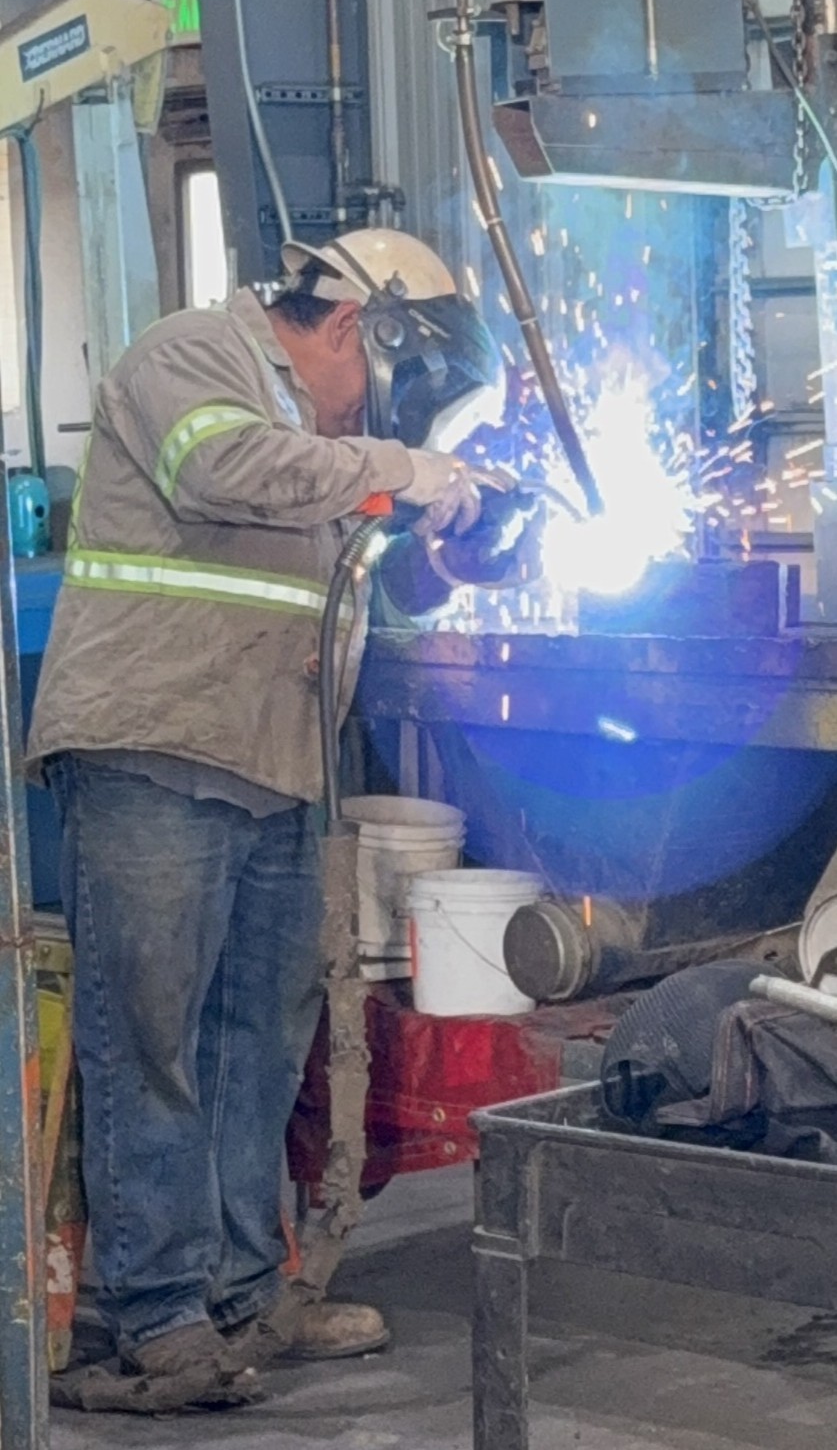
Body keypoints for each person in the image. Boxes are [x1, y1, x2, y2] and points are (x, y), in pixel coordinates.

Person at [28, 230, 517, 1411]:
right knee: (154, 1036)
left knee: (259, 1044)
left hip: (279, 768)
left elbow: (353, 580)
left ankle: (249, 1288)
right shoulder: (192, 357)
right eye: (404, 392)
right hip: (156, 750)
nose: (400, 421)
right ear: (353, 328)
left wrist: (444, 552)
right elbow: (223, 472)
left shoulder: (329, 451)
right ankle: (153, 1317)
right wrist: (404, 467)